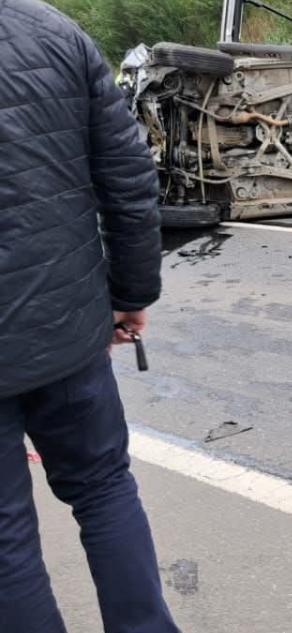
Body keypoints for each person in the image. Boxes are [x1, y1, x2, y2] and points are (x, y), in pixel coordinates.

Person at [0, 1, 178, 632]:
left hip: (61, 330)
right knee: (104, 489)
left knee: (5, 544)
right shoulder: (52, 30)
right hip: (66, 330)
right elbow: (128, 178)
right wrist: (131, 294)